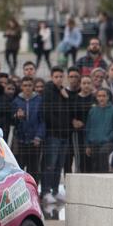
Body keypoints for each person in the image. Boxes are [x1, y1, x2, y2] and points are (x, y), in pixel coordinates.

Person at [40, 68, 74, 200]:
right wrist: (57, 126)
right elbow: (48, 113)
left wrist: (67, 97)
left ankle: (55, 190)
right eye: (56, 76)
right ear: (51, 77)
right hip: (53, 134)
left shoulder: (64, 92)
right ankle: (46, 191)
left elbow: (69, 112)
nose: (59, 79)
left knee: (59, 165)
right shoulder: (48, 92)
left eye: (61, 76)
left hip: (64, 135)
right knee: (50, 165)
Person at [12, 77, 45, 178]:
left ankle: (33, 192)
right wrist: (17, 116)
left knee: (34, 169)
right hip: (21, 140)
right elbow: (11, 120)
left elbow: (42, 121)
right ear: (21, 87)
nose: (27, 88)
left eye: (29, 85)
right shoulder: (16, 101)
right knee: (19, 169)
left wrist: (38, 136)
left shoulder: (39, 100)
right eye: (25, 85)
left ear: (33, 87)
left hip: (34, 141)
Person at [85, 88, 113, 173]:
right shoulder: (92, 111)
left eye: (103, 96)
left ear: (108, 97)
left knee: (103, 157)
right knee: (94, 165)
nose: (101, 98)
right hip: (94, 142)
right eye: (99, 96)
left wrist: (108, 138)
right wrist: (87, 145)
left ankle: (105, 178)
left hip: (108, 142)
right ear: (96, 98)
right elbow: (88, 128)